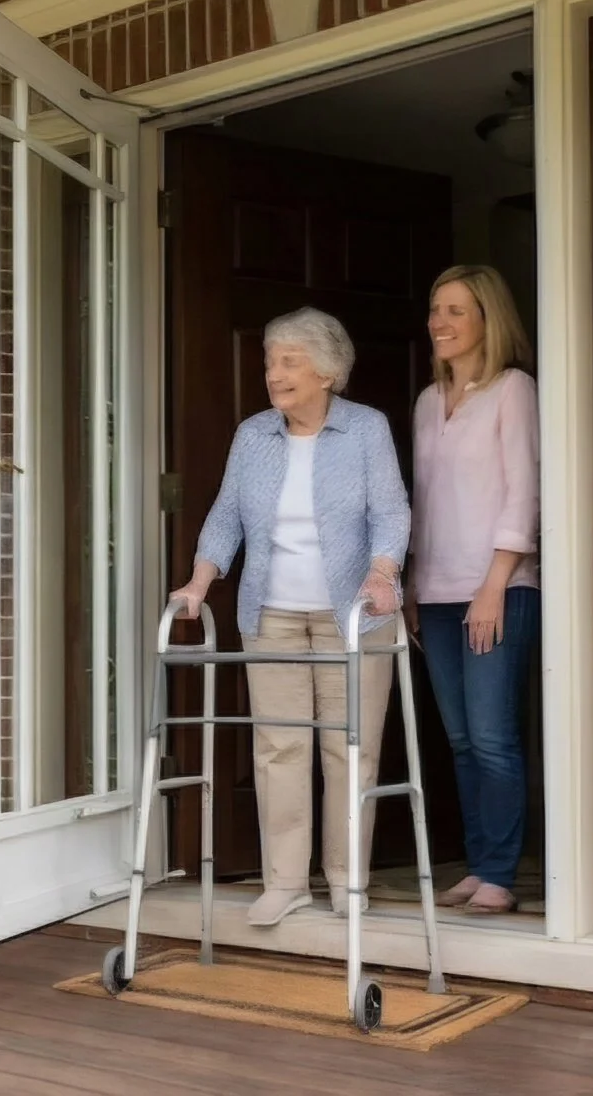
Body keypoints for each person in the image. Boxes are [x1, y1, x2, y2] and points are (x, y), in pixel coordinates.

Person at [168, 306, 410, 927]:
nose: (274, 374)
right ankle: (285, 881)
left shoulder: (366, 430)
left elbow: (390, 510)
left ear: (327, 371)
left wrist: (383, 572)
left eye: (289, 361)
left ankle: (346, 881)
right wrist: (198, 583)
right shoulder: (254, 436)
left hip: (351, 616)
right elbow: (226, 516)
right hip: (270, 614)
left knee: (349, 748)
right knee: (279, 747)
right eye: (271, 361)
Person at [405, 264, 540, 916]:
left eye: (456, 310)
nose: (440, 322)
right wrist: (410, 580)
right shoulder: (428, 403)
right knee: (459, 740)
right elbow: (423, 503)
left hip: (498, 587)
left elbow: (524, 492)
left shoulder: (514, 390)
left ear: (488, 319)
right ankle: (479, 860)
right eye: (436, 308)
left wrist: (495, 584)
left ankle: (500, 873)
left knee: (493, 738)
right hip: (434, 591)